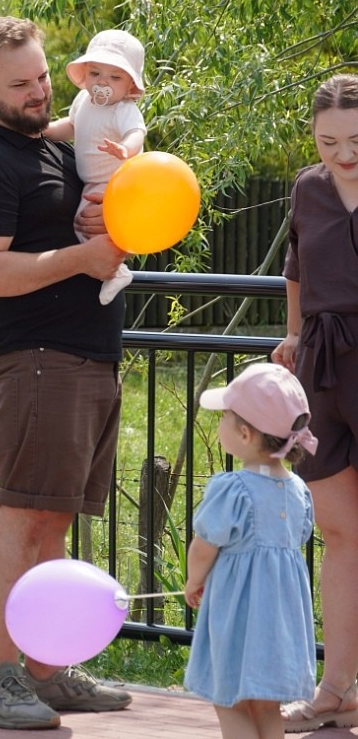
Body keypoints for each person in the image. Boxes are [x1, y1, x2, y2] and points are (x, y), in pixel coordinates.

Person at [0, 17, 132, 729]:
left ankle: (46, 671)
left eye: (44, 76)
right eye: (21, 83)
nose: (38, 92)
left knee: (52, 519)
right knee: (23, 515)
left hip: (86, 356)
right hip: (38, 364)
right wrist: (83, 258)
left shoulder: (51, 144)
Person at [272, 73, 358, 733]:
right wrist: (296, 335)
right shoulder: (308, 188)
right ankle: (337, 691)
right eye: (329, 142)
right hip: (324, 370)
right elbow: (296, 269)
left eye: (356, 141)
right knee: (339, 533)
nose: (344, 155)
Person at [184, 363, 319, 738]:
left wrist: (194, 581)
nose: (221, 425)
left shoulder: (233, 489)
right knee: (265, 704)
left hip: (238, 614)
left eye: (224, 418)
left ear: (244, 434)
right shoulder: (298, 490)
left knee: (229, 699)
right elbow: (300, 536)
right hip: (280, 620)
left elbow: (204, 546)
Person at [43, 29, 147, 304]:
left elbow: (137, 133)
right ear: (85, 72)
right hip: (90, 181)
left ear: (130, 85)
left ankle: (117, 271)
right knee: (82, 225)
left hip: (114, 182)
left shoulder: (123, 109)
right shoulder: (83, 101)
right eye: (95, 73)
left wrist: (125, 148)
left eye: (115, 77)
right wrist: (46, 131)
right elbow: (71, 126)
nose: (102, 82)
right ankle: (108, 270)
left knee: (88, 225)